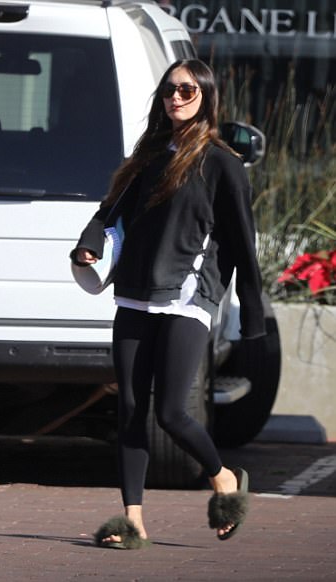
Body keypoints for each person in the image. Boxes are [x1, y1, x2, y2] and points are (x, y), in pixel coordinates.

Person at [71, 59, 265, 548]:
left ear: (205, 95)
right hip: (134, 294)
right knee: (131, 410)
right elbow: (110, 209)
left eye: (186, 90)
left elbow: (243, 244)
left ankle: (221, 475)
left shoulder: (222, 163)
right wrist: (89, 243)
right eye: (169, 90)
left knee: (172, 414)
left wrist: (254, 320)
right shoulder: (150, 154)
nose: (176, 98)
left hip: (187, 298)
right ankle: (131, 521)